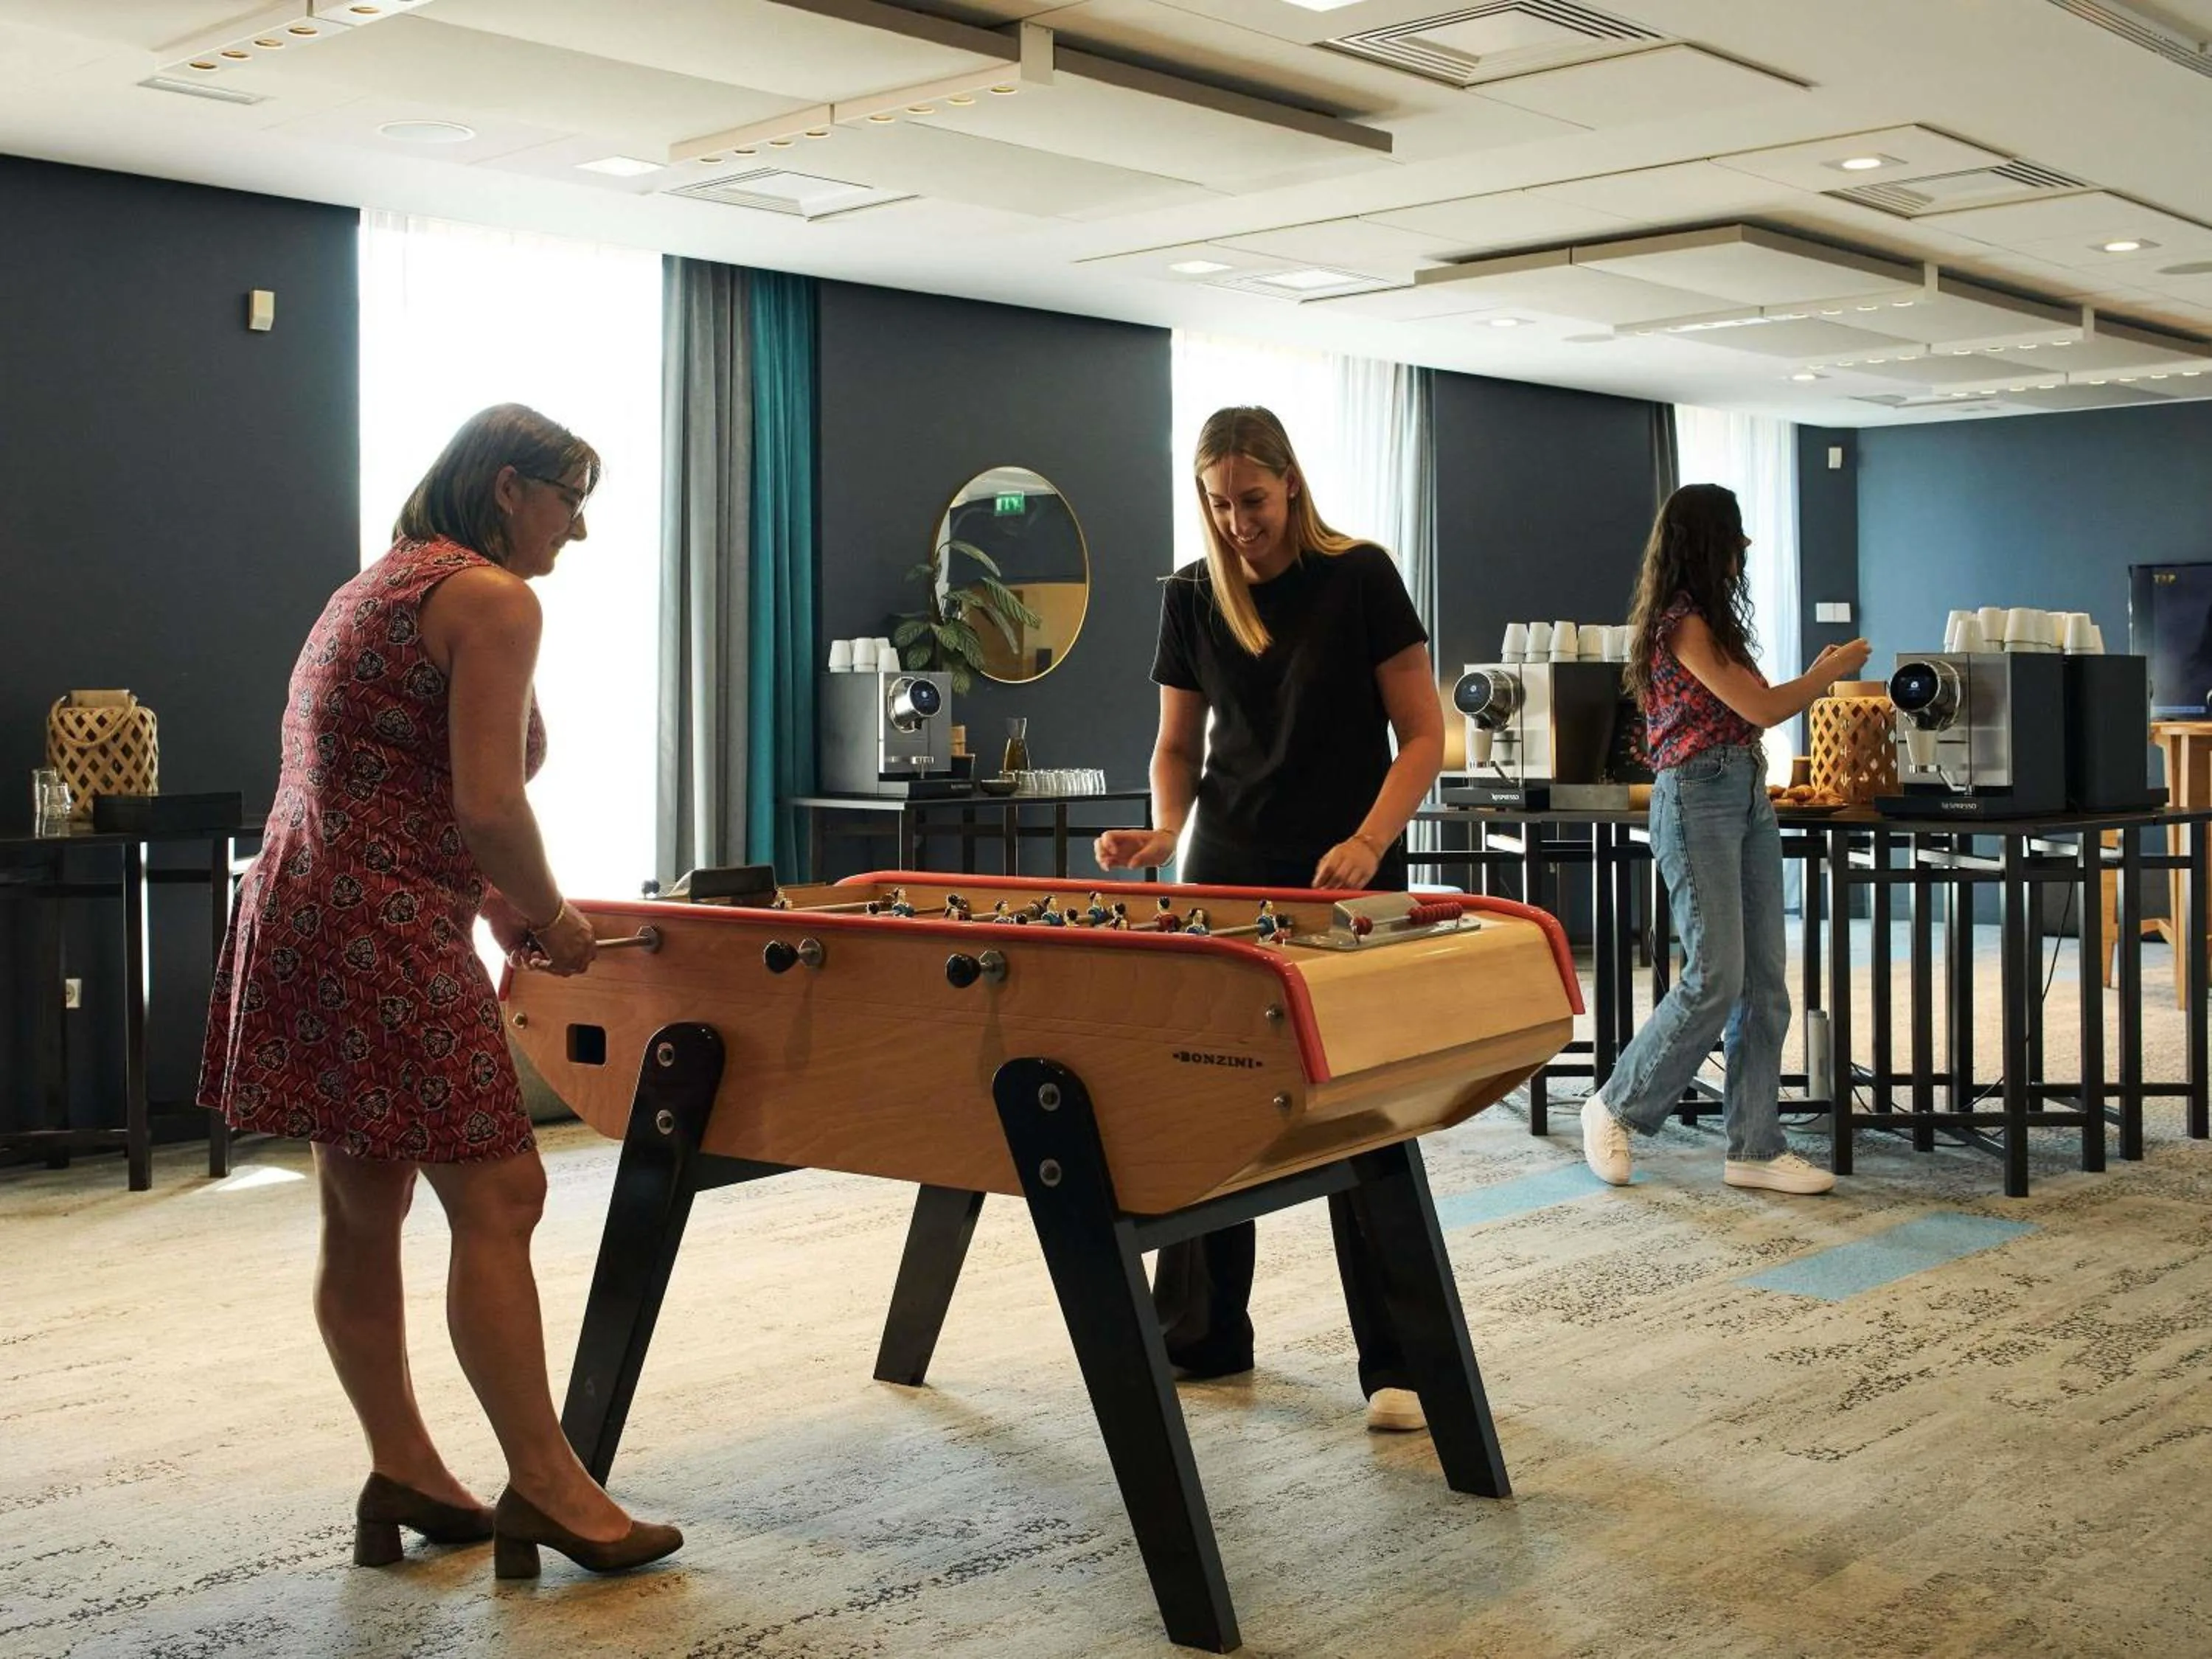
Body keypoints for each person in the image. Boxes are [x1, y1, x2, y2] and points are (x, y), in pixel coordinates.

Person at [198, 404, 681, 1579]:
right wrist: (554, 916)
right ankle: (549, 1485)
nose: (579, 526)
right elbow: (484, 804)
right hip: (383, 931)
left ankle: (405, 1464)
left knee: (363, 1207)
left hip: (302, 908)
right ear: (509, 487)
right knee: (504, 1191)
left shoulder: (374, 586)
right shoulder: (495, 597)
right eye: (570, 497)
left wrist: (496, 903)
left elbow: (390, 789)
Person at [1095, 405, 1444, 1433]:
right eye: (1218, 502)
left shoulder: (1362, 575)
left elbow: (1422, 735)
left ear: (1290, 483)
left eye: (1252, 498)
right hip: (1231, 866)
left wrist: (1373, 842)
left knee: (1362, 1110)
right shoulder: (1191, 594)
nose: (1237, 520)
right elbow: (1176, 744)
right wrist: (1164, 833)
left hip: (1351, 869)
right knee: (1217, 1094)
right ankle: (1198, 1331)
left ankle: (1400, 1360)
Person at [1580, 483, 1871, 1196]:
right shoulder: (1683, 624)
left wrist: (1812, 676)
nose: (1744, 548)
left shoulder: (1708, 622)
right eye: (1735, 536)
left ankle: (1755, 1146)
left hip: (1743, 791)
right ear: (1709, 542)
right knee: (1716, 975)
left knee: (1765, 985)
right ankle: (1616, 1104)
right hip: (1697, 798)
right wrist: (1828, 674)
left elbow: (1754, 710)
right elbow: (1766, 707)